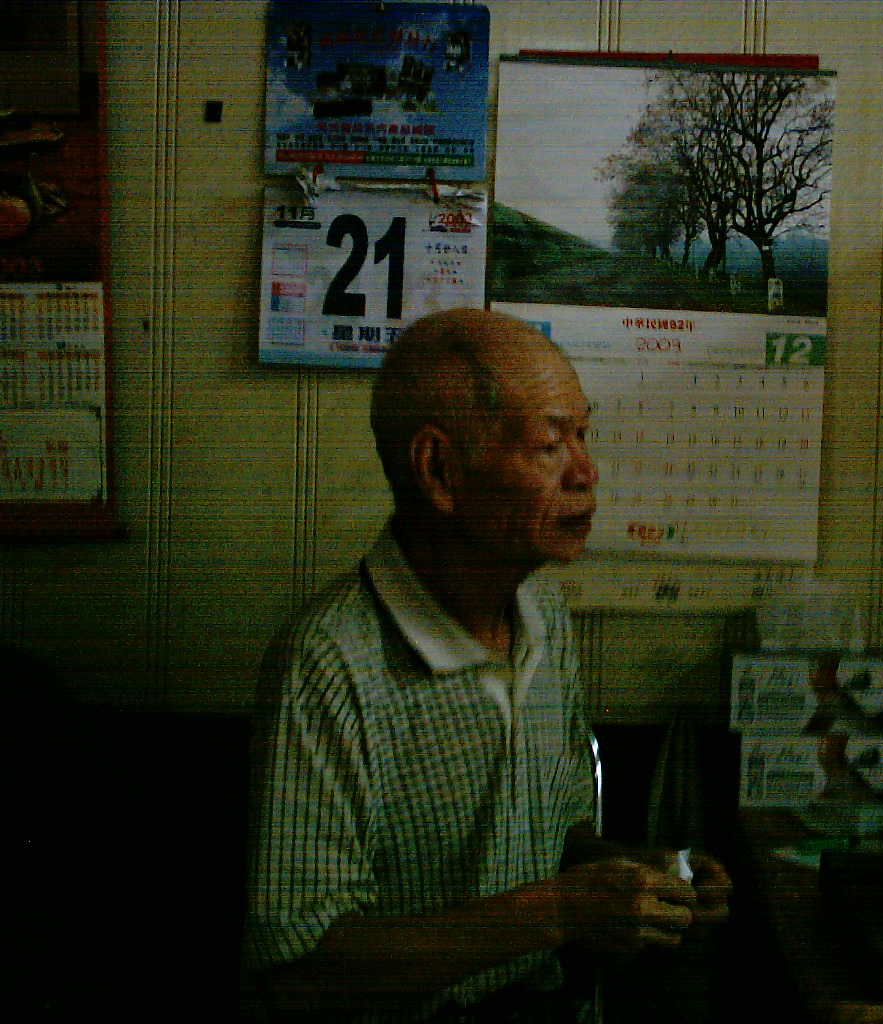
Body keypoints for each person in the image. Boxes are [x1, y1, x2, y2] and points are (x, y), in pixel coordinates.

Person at [242, 308, 732, 1023]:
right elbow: (300, 973)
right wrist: (557, 911)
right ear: (439, 470)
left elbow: (553, 838)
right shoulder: (329, 664)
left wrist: (641, 875)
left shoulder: (544, 615)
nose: (586, 474)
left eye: (584, 437)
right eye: (550, 444)